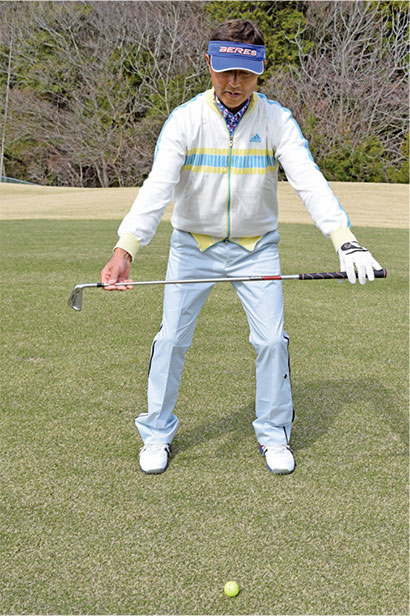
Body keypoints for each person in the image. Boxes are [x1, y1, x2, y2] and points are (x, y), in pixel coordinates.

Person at [100, 19, 382, 475]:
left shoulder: (276, 120)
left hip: (257, 248)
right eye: (226, 70)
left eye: (246, 74)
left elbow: (309, 181)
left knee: (271, 340)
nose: (235, 83)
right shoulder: (185, 119)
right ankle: (156, 433)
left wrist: (344, 241)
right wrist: (126, 249)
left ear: (259, 72)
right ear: (209, 64)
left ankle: (273, 434)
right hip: (192, 247)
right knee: (171, 339)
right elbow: (157, 187)